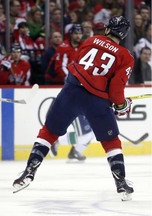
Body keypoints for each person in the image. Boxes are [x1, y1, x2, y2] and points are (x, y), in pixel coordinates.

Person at [13, 16, 135, 201]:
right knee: (111, 142)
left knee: (48, 133)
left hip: (70, 92)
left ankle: (29, 172)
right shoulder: (126, 56)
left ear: (109, 29)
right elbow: (116, 90)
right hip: (96, 101)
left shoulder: (90, 40)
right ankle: (121, 183)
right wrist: (122, 105)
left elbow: (78, 65)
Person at [49, 24, 94, 161]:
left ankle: (75, 151)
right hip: (72, 89)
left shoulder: (84, 46)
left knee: (90, 131)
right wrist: (73, 80)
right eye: (76, 33)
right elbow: (60, 67)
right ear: (71, 34)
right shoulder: (64, 47)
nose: (78, 35)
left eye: (80, 33)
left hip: (82, 89)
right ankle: (57, 141)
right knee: (86, 133)